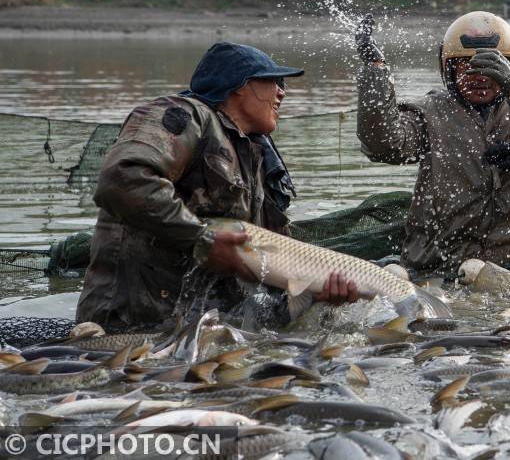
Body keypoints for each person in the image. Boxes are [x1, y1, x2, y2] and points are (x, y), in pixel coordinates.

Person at [76, 42, 357, 332]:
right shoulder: (185, 115)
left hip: (208, 329)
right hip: (134, 324)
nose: (282, 92)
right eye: (273, 81)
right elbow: (123, 177)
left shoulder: (256, 157)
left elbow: (271, 260)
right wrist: (200, 238)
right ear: (238, 86)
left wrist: (314, 293)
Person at [354, 11, 510, 273]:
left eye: (492, 66)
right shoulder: (430, 113)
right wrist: (375, 71)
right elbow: (383, 145)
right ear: (448, 69)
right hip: (439, 267)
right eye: (465, 65)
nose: (479, 76)